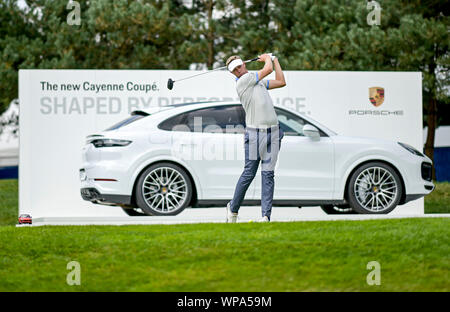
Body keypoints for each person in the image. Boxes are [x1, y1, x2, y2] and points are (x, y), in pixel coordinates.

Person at [225, 53, 286, 223]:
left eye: (239, 65)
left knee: (268, 175)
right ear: (232, 73)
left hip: (273, 133)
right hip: (254, 135)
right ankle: (233, 208)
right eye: (234, 69)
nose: (238, 70)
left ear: (243, 63)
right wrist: (267, 58)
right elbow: (267, 69)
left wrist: (275, 60)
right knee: (249, 173)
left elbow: (281, 81)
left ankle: (266, 216)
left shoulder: (257, 82)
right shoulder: (243, 81)